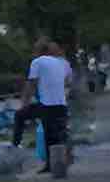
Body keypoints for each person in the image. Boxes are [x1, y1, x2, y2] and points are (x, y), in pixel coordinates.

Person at [24, 36, 74, 172]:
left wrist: (26, 101)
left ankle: (51, 164)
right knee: (61, 132)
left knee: (49, 134)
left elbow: (32, 83)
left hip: (47, 104)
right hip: (61, 102)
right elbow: (67, 80)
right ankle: (65, 159)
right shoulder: (60, 62)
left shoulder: (37, 62)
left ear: (38, 51)